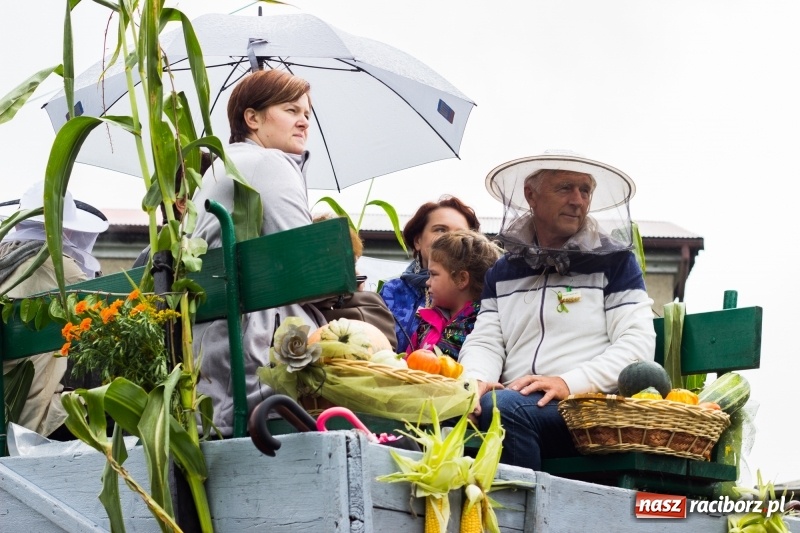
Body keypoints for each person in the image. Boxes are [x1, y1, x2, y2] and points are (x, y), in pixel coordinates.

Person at [458, 151, 657, 471]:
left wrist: (569, 383)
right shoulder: (502, 271)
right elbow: (486, 340)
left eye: (585, 190)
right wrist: (476, 381)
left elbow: (637, 346)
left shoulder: (615, 262)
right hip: (514, 403)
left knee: (504, 408)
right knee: (448, 404)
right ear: (530, 195)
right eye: (565, 188)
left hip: (587, 409)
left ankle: (519, 520)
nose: (578, 200)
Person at [189, 69, 325, 436]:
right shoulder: (268, 163)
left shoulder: (219, 168)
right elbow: (308, 269)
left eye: (307, 114)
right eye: (291, 110)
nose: (303, 122)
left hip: (212, 364)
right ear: (252, 118)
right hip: (259, 367)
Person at [0, 181, 108, 436]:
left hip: (4, 408)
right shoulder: (62, 268)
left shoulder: (5, 260)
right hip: (35, 414)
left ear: (18, 223)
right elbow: (104, 320)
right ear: (66, 229)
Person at [379, 196, 480, 353]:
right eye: (440, 230)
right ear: (418, 240)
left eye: (461, 233)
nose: (449, 238)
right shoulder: (391, 292)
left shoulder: (483, 294)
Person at [406, 229, 501, 361]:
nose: (427, 282)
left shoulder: (480, 326)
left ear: (461, 279)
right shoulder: (426, 323)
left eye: (433, 274)